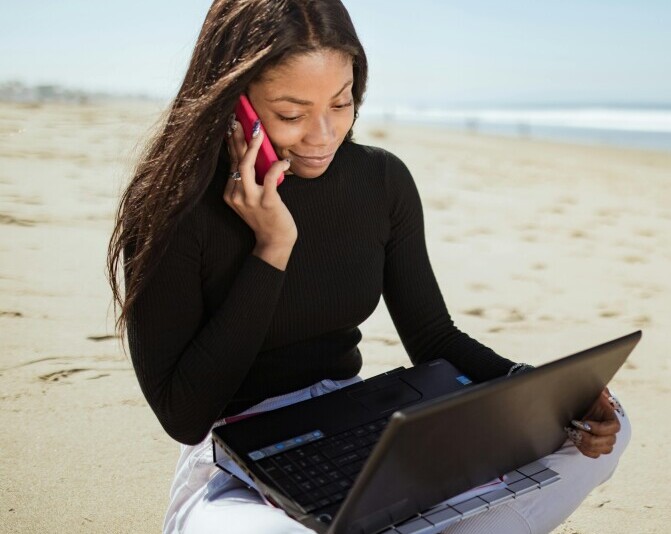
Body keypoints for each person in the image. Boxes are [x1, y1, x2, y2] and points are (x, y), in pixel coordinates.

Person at [105, 1, 630, 533]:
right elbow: (185, 416)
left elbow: (432, 337)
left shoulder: (379, 181)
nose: (323, 135)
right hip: (235, 470)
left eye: (341, 103)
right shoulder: (171, 208)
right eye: (291, 114)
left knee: (605, 431)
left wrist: (541, 391)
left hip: (362, 430)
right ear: (233, 101)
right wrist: (272, 249)